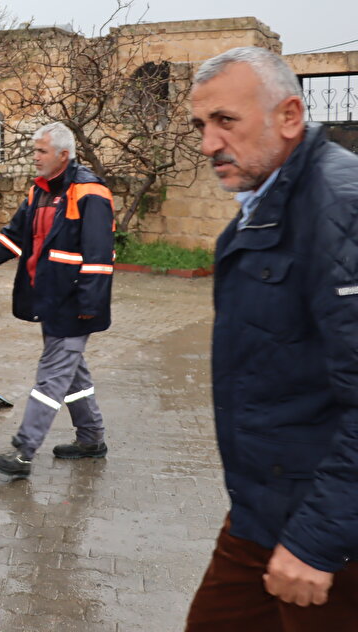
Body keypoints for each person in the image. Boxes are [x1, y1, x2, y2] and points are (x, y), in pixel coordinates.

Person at [183, 47, 358, 630]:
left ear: (288, 116)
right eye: (201, 126)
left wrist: (317, 540)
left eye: (226, 121)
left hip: (331, 538)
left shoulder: (338, 207)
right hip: (263, 515)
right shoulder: (264, 204)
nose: (208, 144)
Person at [0, 122, 115, 479]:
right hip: (49, 300)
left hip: (75, 305)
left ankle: (23, 452)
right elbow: (15, 236)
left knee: (50, 379)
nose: (35, 158)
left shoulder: (90, 193)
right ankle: (91, 440)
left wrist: (87, 308)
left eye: (40, 151)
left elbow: (99, 256)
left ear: (63, 155)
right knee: (72, 375)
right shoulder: (40, 192)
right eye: (34, 151)